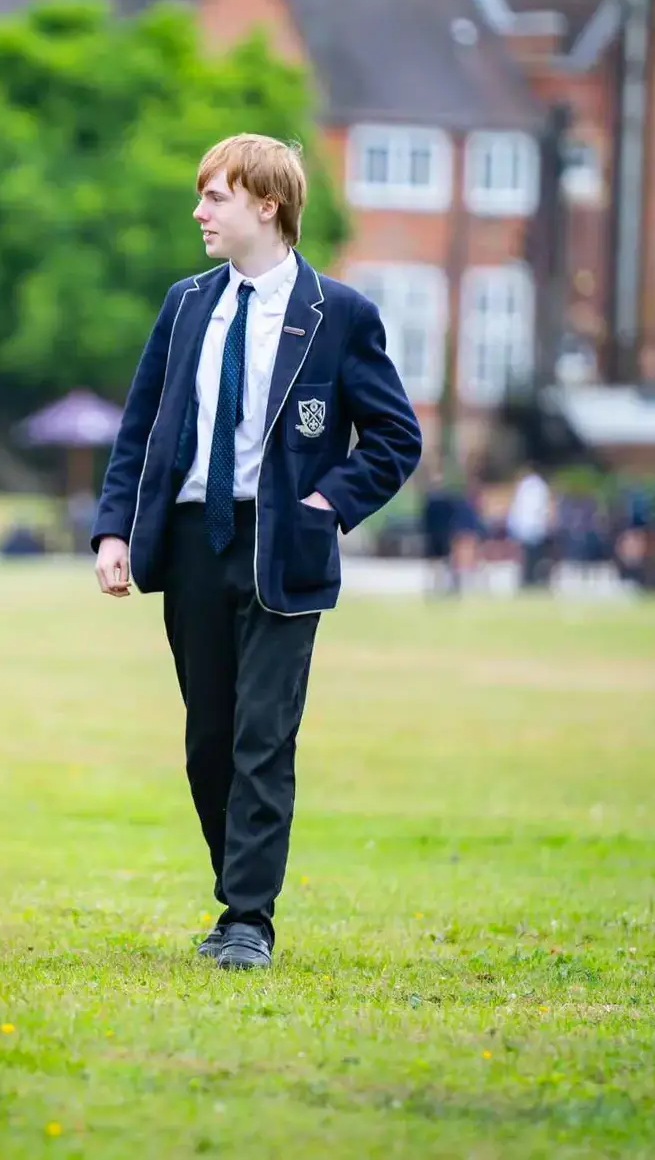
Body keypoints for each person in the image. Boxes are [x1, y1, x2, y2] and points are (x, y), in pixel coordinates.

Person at [91, 134, 421, 972]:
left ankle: (248, 918)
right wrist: (114, 529)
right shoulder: (185, 305)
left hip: (284, 551)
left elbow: (396, 437)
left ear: (267, 205)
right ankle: (233, 894)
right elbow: (139, 427)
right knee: (208, 742)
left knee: (262, 737)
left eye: (216, 197)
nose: (199, 212)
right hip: (193, 545)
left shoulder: (340, 314)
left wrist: (326, 504)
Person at [506, 466, 552, 591]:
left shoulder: (527, 486)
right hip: (534, 528)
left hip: (528, 528)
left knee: (528, 558)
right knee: (533, 558)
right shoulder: (538, 486)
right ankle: (532, 581)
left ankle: (529, 580)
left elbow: (518, 509)